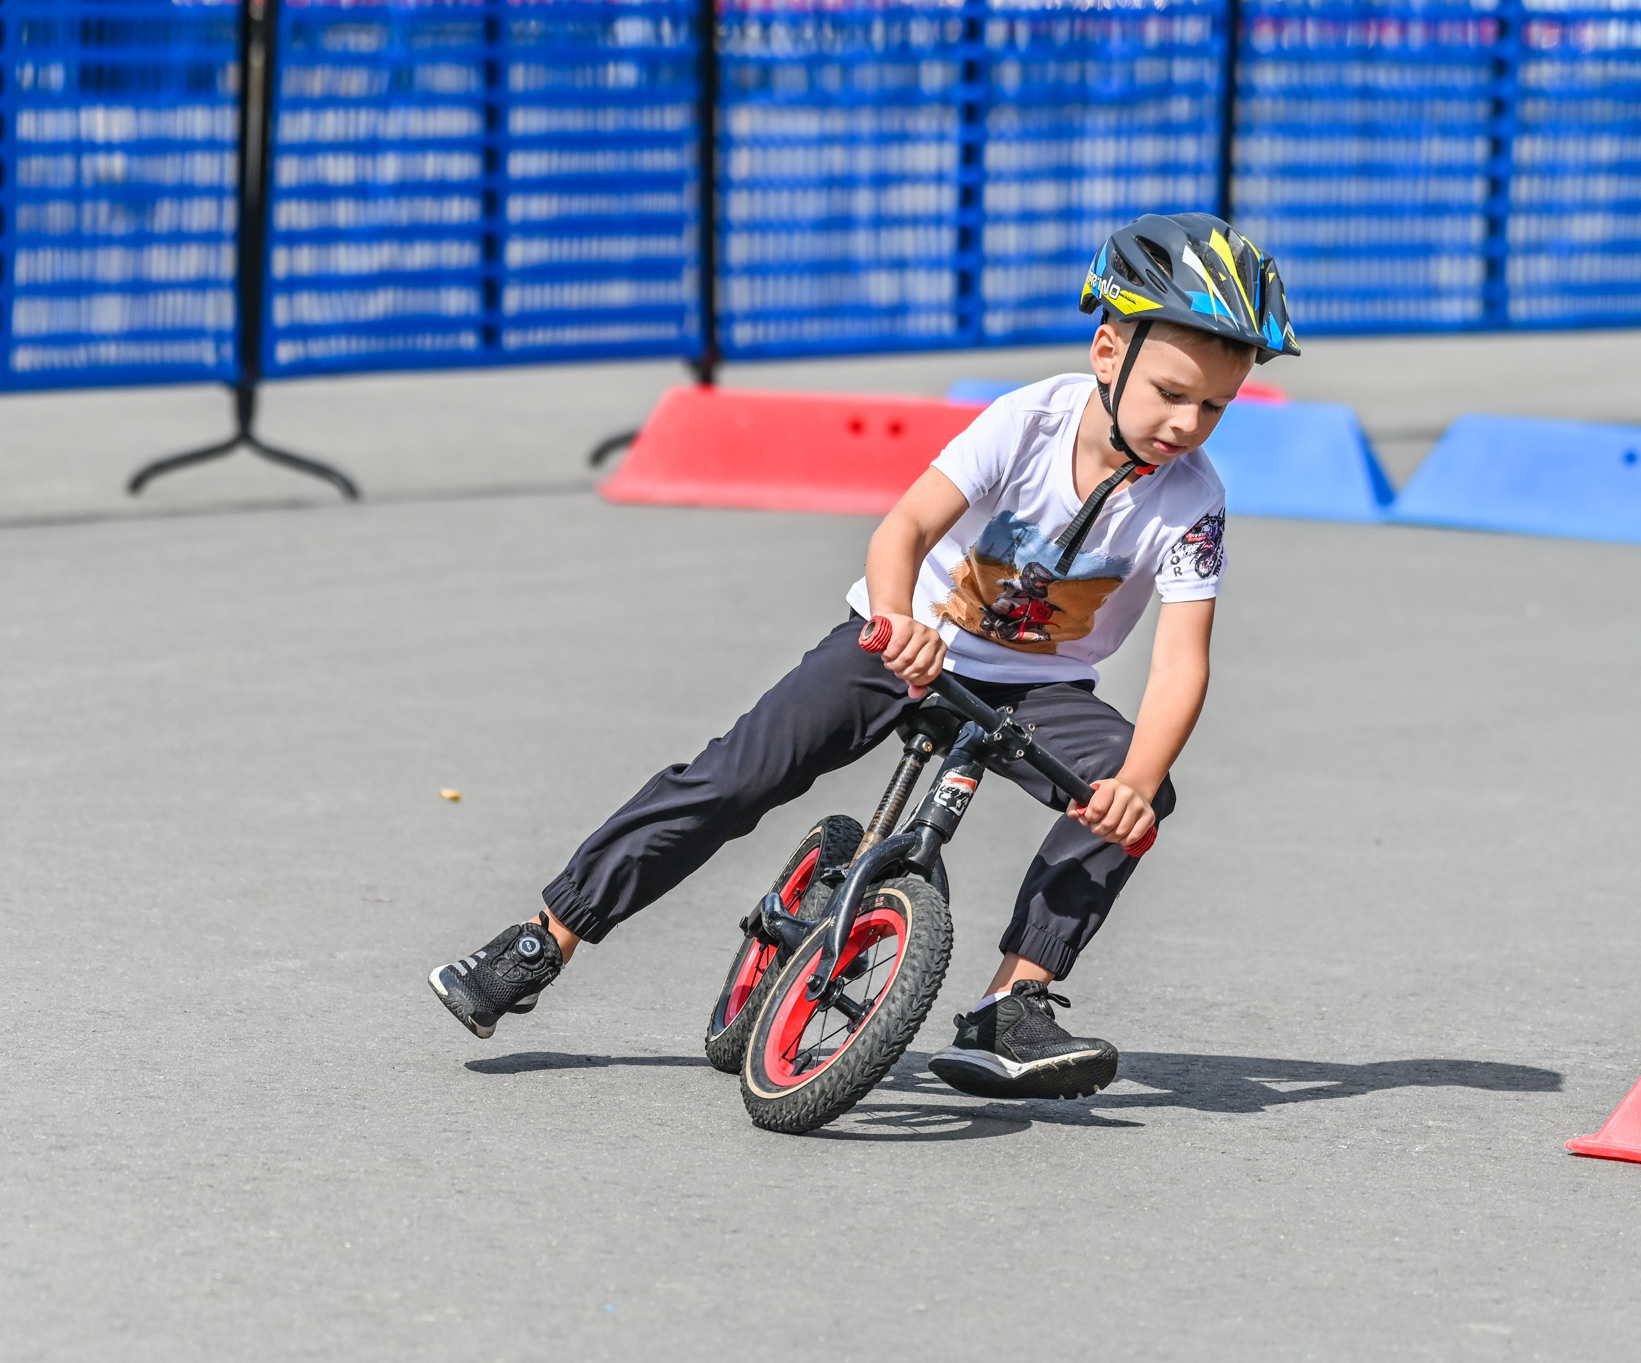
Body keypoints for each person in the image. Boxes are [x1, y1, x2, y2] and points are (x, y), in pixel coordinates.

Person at [429, 212, 1300, 1100]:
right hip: (899, 644)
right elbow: (905, 530)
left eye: (1215, 407)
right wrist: (896, 619)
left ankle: (1012, 1005)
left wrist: (1133, 784)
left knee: (1137, 790)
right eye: (1171, 392)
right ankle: (543, 938)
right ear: (1109, 351)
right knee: (736, 778)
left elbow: (1181, 662)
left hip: (1033, 688)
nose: (1188, 424)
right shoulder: (1027, 422)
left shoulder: (1194, 500)